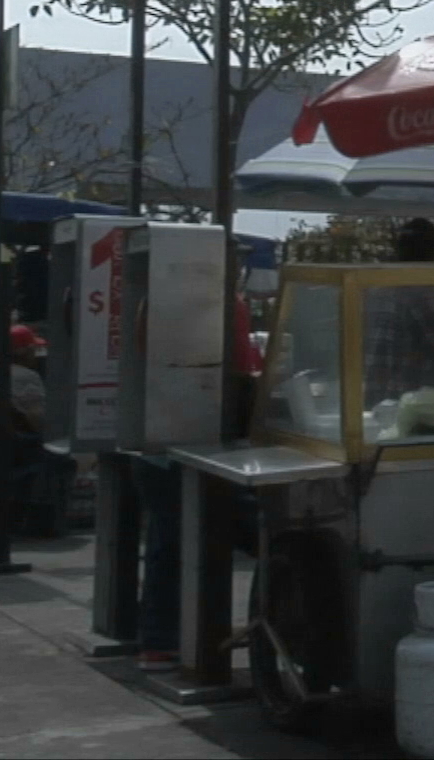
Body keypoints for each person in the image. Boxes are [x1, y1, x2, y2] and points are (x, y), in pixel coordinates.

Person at [136, 248, 265, 673]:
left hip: (159, 438)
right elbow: (241, 377)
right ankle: (184, 640)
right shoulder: (224, 308)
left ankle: (161, 638)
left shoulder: (155, 305)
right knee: (236, 534)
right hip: (198, 444)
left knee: (167, 542)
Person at [363, 218, 434, 403]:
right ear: (433, 254)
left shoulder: (378, 290)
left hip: (376, 401)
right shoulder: (422, 292)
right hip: (409, 406)